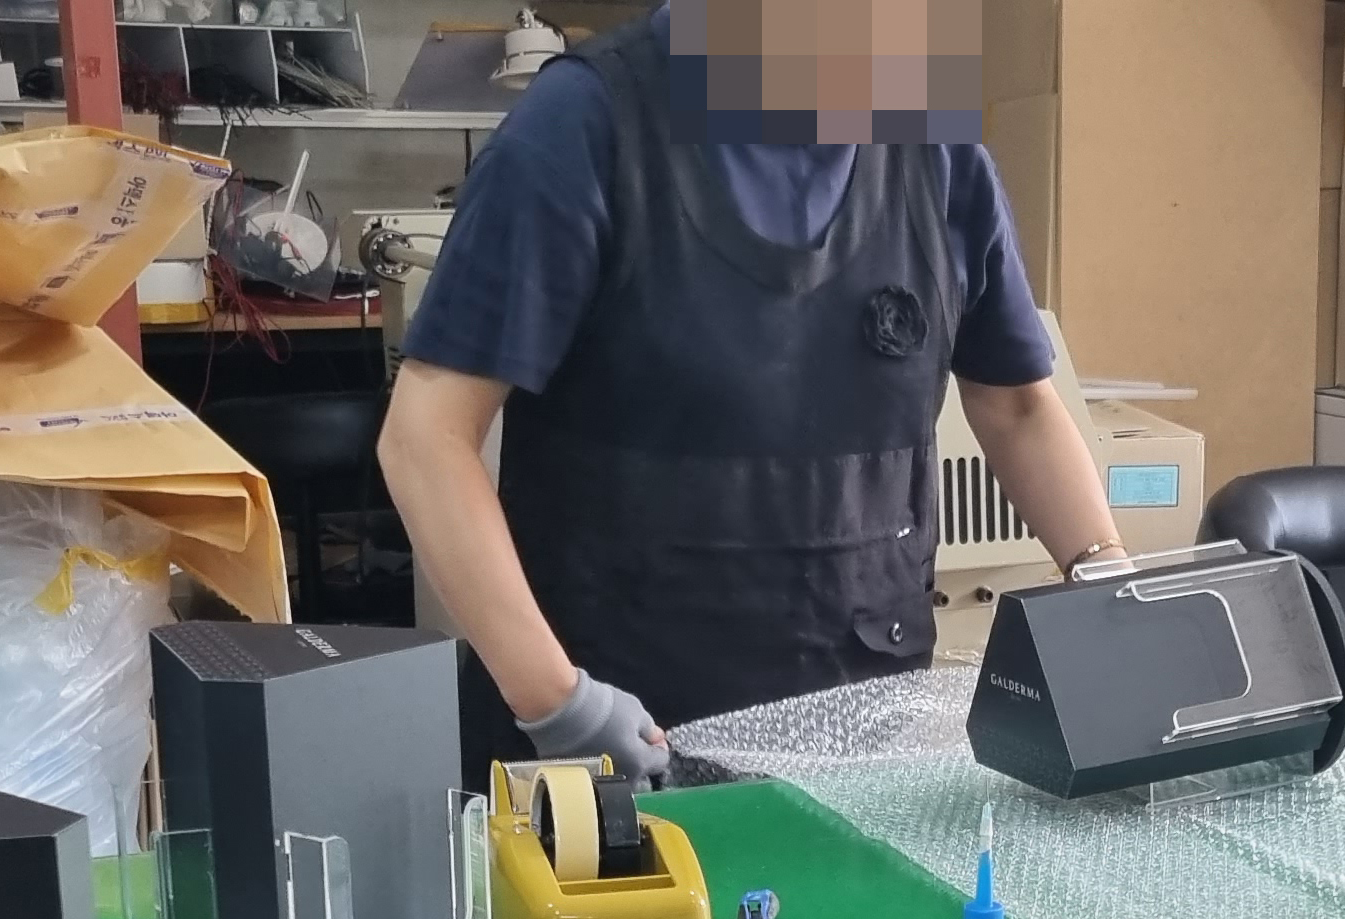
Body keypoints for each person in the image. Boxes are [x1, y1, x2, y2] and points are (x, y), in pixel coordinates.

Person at [377, 4, 1128, 784]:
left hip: (865, 728)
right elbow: (425, 439)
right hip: (620, 740)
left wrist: (1112, 589)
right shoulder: (582, 126)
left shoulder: (934, 147)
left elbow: (1017, 406)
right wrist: (557, 702)